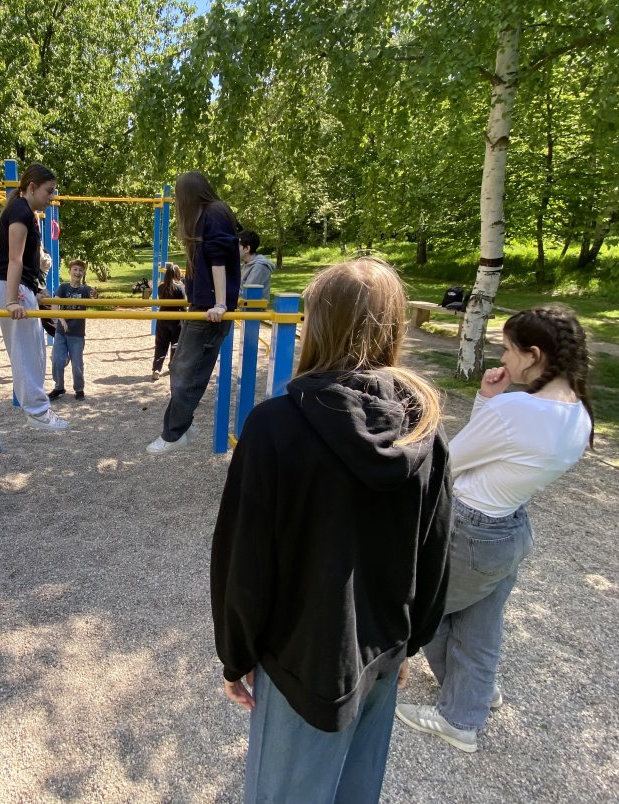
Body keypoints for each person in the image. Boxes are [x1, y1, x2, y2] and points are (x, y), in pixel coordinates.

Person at [211, 258, 452, 803]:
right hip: (382, 651)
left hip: (303, 663)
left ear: (315, 323)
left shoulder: (275, 427)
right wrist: (408, 645)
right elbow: (436, 552)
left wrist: (235, 654)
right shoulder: (424, 430)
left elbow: (243, 562)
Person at [396, 304, 594, 754]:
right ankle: (472, 698)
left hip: (469, 530)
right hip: (510, 527)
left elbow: (451, 462)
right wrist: (489, 399)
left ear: (533, 355)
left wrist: (492, 405)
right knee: (480, 625)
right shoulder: (579, 413)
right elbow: (500, 455)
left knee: (424, 609)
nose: (502, 358)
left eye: (507, 349)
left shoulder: (517, 410)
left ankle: (458, 712)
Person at [147, 171, 240, 453]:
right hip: (200, 305)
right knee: (178, 367)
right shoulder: (204, 217)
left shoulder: (214, 213)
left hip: (211, 309)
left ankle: (173, 434)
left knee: (189, 373)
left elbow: (219, 260)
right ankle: (183, 426)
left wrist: (221, 304)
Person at [0, 162, 68, 430]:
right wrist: (12, 300)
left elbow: (26, 263)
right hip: (11, 287)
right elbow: (15, 260)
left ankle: (39, 410)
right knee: (27, 351)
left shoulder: (25, 212)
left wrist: (36, 289)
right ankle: (37, 412)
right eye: (49, 191)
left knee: (34, 349)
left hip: (19, 287)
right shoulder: (20, 211)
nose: (52, 197)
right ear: (32, 187)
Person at [48, 259, 96, 401]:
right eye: (75, 269)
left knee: (77, 364)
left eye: (80, 270)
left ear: (83, 273)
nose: (77, 272)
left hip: (77, 332)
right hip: (61, 331)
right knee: (57, 359)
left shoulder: (85, 289)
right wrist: (61, 320)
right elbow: (54, 305)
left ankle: (79, 389)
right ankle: (59, 387)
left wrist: (94, 295)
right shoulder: (63, 288)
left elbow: (94, 298)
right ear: (69, 271)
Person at [151, 262, 186, 379]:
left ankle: (156, 369)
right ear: (178, 274)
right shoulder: (180, 287)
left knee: (161, 345)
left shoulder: (161, 287)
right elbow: (183, 305)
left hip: (163, 319)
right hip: (177, 320)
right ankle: (172, 366)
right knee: (176, 344)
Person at [238, 230, 276, 301]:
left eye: (237, 246)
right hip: (244, 306)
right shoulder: (246, 264)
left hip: (255, 307)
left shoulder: (259, 267)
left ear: (247, 249)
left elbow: (247, 294)